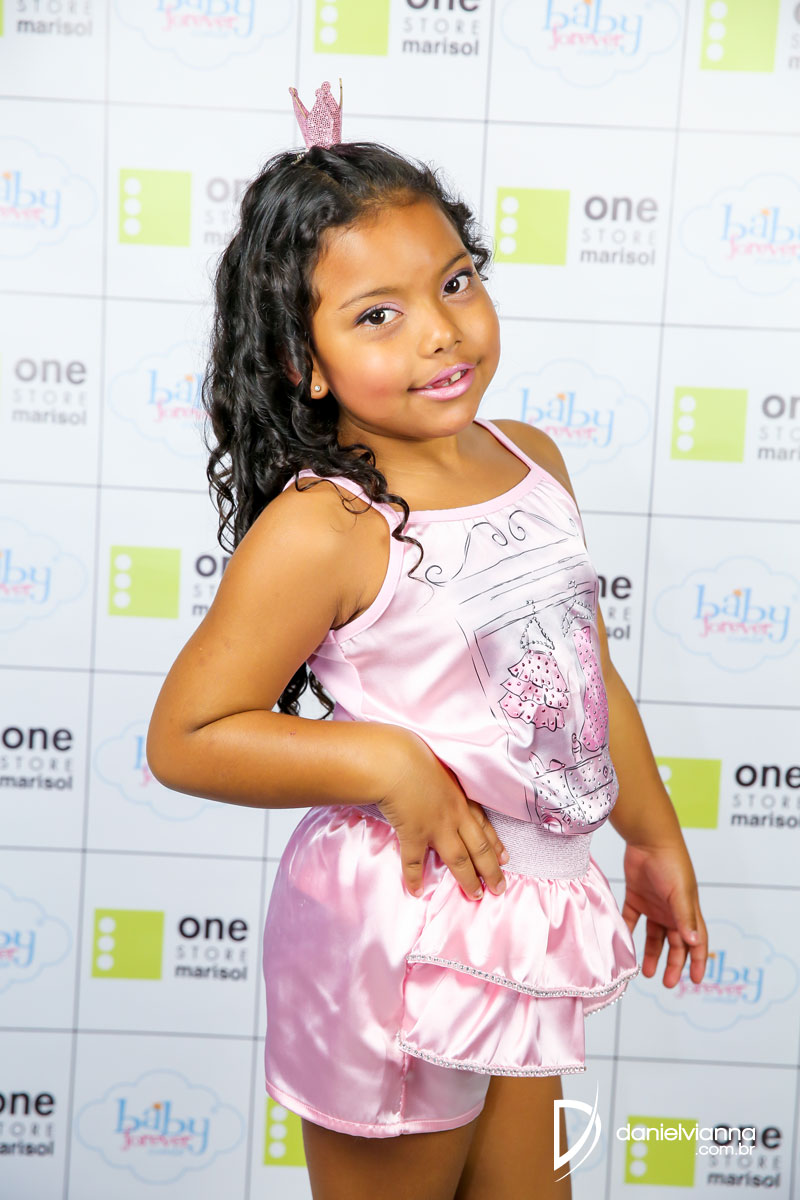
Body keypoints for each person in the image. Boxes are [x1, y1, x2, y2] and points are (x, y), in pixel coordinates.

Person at [146, 84, 708, 1200]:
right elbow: (186, 737)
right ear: (303, 360)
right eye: (377, 316)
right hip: (396, 931)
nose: (441, 331)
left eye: (453, 282)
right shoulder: (326, 526)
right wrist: (386, 761)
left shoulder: (532, 458)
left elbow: (582, 669)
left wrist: (650, 835)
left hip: (522, 915)